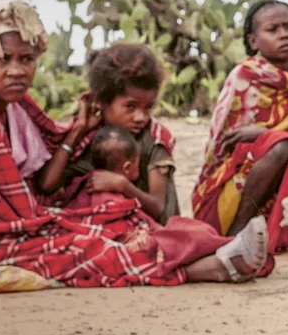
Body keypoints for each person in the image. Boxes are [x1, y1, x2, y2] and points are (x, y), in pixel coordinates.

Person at [0, 0, 269, 285]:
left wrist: (77, 135)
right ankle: (215, 266)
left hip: (16, 218)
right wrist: (50, 219)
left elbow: (39, 185)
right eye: (3, 60)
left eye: (27, 58)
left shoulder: (14, 105)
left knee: (115, 223)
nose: (17, 70)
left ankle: (215, 252)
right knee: (80, 247)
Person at [190, 0, 288, 261]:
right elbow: (230, 146)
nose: (284, 34)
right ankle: (235, 234)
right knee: (280, 146)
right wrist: (268, 139)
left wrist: (265, 137)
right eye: (273, 29)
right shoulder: (244, 77)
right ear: (253, 41)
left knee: (281, 145)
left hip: (285, 182)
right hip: (233, 185)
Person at [37, 43, 181, 217]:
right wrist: (78, 130)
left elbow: (158, 208)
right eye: (131, 106)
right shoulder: (88, 137)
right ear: (101, 100)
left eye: (148, 107)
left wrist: (122, 185)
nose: (140, 117)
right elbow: (47, 185)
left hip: (152, 230)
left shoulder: (154, 138)